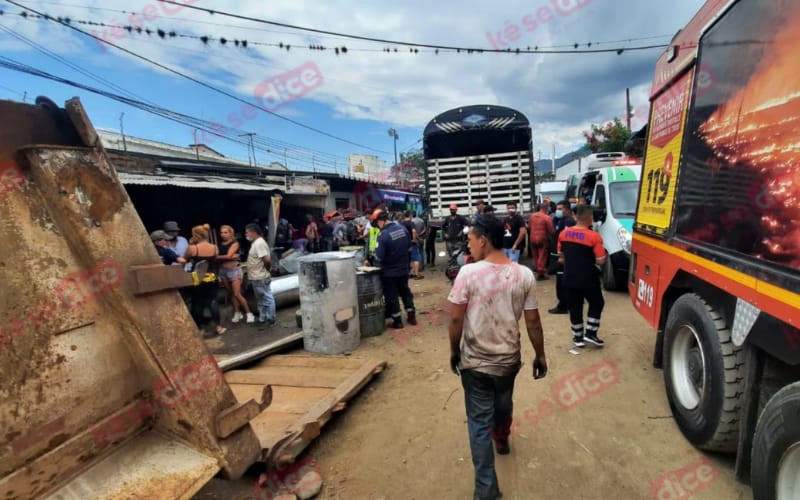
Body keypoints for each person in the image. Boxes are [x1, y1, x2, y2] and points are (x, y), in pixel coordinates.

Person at [448, 214, 547, 500]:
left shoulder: (468, 274)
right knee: (503, 405)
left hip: (475, 363)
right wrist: (540, 356)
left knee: (479, 424)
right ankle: (501, 440)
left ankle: (486, 490)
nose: (468, 246)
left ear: (484, 240)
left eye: (470, 240)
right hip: (507, 362)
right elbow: (533, 323)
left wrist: (455, 351)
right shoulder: (523, 275)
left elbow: (455, 321)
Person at [558, 205, 606, 348]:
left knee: (575, 306)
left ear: (576, 216)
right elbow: (601, 260)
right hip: (588, 278)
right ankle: (591, 333)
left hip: (569, 277)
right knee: (597, 303)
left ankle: (577, 337)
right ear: (590, 218)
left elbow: (561, 258)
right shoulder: (594, 236)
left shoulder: (563, 234)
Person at [374, 211, 417, 329]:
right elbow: (409, 248)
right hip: (403, 269)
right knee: (405, 292)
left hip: (389, 273)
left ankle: (397, 321)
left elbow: (378, 257)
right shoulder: (403, 229)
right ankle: (412, 316)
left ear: (381, 221)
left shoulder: (383, 235)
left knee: (391, 296)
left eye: (377, 224)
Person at [184, 225, 226, 335]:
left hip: (197, 279)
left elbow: (184, 260)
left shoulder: (193, 248)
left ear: (195, 236)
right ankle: (218, 327)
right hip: (211, 277)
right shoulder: (214, 247)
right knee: (213, 301)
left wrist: (191, 244)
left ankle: (200, 328)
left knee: (197, 303)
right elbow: (215, 261)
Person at [218, 225, 255, 324]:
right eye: (221, 232)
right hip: (223, 270)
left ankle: (249, 313)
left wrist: (221, 257)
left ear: (231, 233)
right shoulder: (220, 244)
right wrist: (227, 257)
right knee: (230, 294)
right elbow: (226, 256)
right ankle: (237, 312)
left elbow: (228, 255)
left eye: (225, 232)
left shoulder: (235, 243)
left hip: (234, 270)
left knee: (237, 293)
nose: (223, 234)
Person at [548, 201, 576, 314]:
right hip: (558, 255)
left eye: (561, 209)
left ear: (568, 209)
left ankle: (563, 306)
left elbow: (567, 241)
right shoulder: (561, 220)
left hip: (563, 257)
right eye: (557, 209)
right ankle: (564, 304)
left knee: (562, 283)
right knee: (561, 281)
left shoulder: (568, 222)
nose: (558, 211)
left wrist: (562, 255)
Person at [245, 223, 276, 325]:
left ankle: (270, 318)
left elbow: (266, 260)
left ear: (253, 232)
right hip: (256, 276)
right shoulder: (256, 243)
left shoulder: (259, 243)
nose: (246, 235)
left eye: (247, 232)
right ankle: (263, 319)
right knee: (261, 300)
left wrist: (267, 269)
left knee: (266, 298)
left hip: (260, 276)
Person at [528, 203, 555, 280]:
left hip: (532, 238)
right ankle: (541, 273)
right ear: (547, 208)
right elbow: (551, 231)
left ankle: (537, 270)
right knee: (542, 256)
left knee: (535, 256)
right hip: (542, 238)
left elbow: (529, 227)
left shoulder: (532, 216)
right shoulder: (547, 217)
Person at [402, 211, 424, 280]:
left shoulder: (401, 224)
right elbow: (414, 231)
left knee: (408, 259)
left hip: (405, 244)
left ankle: (410, 273)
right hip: (412, 243)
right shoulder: (411, 223)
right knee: (416, 258)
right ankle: (417, 274)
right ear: (410, 215)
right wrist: (414, 239)